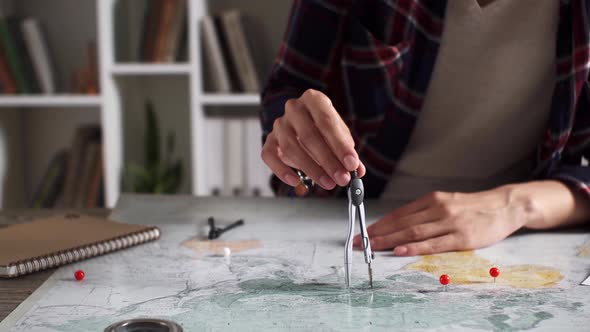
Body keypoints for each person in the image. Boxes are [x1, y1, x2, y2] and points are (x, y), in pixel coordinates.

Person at [259, 0, 590, 256]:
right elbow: (286, 93)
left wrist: (518, 205)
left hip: (520, 237)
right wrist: (292, 127)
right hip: (348, 224)